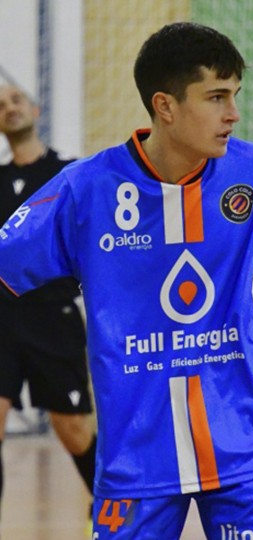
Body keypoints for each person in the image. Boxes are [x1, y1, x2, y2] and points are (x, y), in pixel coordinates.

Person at [0, 22, 253, 538]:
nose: (233, 114)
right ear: (166, 105)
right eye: (217, 97)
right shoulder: (86, 189)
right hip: (137, 460)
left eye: (235, 96)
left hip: (245, 441)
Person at [0, 84, 97, 520]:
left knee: (74, 429)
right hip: (1, 319)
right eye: (0, 106)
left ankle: (113, 505)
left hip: (52, 315)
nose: (9, 108)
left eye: (15, 100)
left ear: (36, 110)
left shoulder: (68, 175)